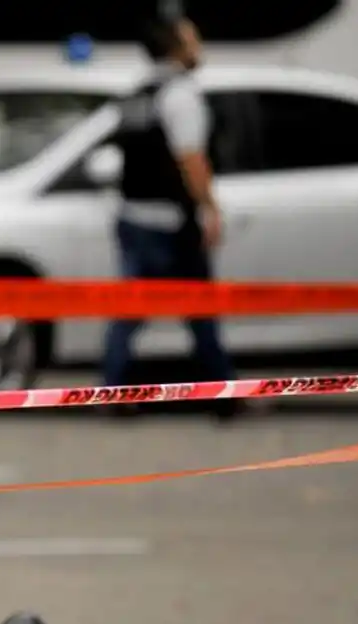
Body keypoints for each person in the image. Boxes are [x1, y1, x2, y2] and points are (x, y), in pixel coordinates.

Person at [101, 14, 240, 417]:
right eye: (193, 39)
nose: (199, 47)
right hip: (169, 222)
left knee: (129, 311)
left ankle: (113, 390)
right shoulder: (180, 95)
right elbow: (191, 159)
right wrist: (210, 208)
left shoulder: (139, 92)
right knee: (201, 309)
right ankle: (222, 393)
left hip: (133, 216)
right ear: (176, 47)